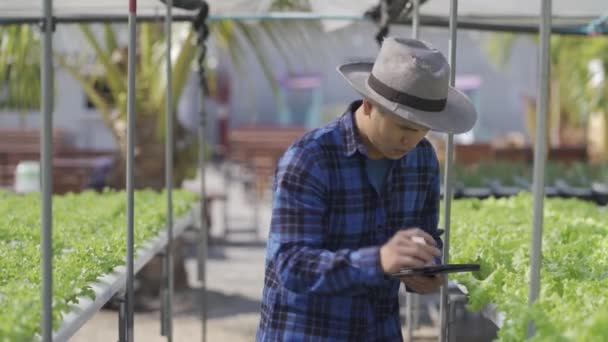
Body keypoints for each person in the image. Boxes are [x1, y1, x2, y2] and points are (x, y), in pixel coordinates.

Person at [256, 37, 478, 341]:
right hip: (308, 332)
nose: (411, 141)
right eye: (404, 127)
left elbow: (424, 236)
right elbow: (292, 266)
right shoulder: (310, 159)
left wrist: (426, 269)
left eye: (423, 129)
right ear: (369, 105)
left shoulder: (423, 159)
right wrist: (379, 260)